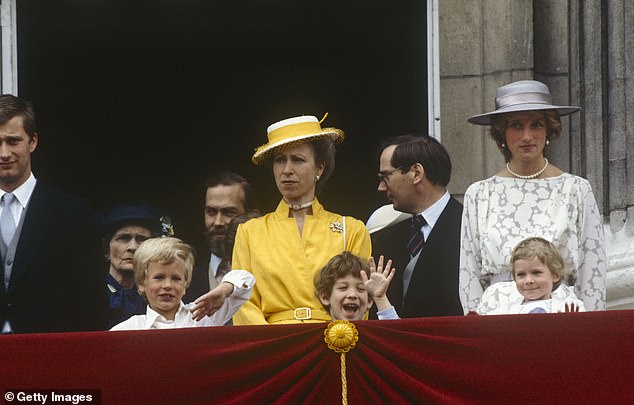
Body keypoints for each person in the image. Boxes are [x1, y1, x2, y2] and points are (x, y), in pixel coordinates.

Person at [461, 79, 606, 313]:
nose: (527, 135)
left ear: (549, 129)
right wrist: (476, 329)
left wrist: (590, 331)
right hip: (497, 318)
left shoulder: (576, 189)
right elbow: (469, 274)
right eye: (517, 125)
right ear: (502, 133)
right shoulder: (479, 194)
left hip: (561, 317)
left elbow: (592, 272)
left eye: (536, 124)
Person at [232, 115, 371, 325]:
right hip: (273, 345)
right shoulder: (250, 232)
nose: (287, 169)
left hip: (332, 342)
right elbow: (242, 302)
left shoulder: (351, 229)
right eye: (280, 160)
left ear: (320, 168)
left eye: (298, 159)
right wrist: (271, 346)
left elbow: (360, 299)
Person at [0, 94, 106, 333]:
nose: (4, 153)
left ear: (33, 141)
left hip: (49, 359)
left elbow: (92, 303)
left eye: (13, 141)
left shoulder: (71, 213)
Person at [372, 134, 463, 318]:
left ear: (416, 173)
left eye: (386, 176)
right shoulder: (387, 238)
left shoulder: (468, 228)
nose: (381, 187)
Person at [110, 237, 255, 330]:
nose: (168, 285)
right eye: (159, 277)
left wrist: (223, 289)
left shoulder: (202, 315)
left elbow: (247, 278)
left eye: (176, 278)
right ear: (141, 283)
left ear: (186, 284)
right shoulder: (131, 328)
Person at [185, 171, 257, 302]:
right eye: (211, 212)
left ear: (250, 214)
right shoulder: (186, 281)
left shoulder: (266, 273)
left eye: (228, 212)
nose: (218, 222)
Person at [477, 237, 585, 315]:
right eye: (521, 275)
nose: (528, 280)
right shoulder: (504, 312)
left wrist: (571, 324)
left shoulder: (570, 308)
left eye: (536, 273)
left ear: (555, 275)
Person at [97, 203, 162, 329]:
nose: (133, 247)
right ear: (106, 250)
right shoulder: (91, 292)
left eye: (141, 239)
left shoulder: (158, 292)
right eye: (123, 238)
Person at [315, 252, 398, 320]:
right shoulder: (316, 337)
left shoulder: (374, 336)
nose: (352, 295)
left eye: (360, 289)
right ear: (325, 296)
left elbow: (396, 337)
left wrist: (380, 298)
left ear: (369, 301)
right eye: (343, 288)